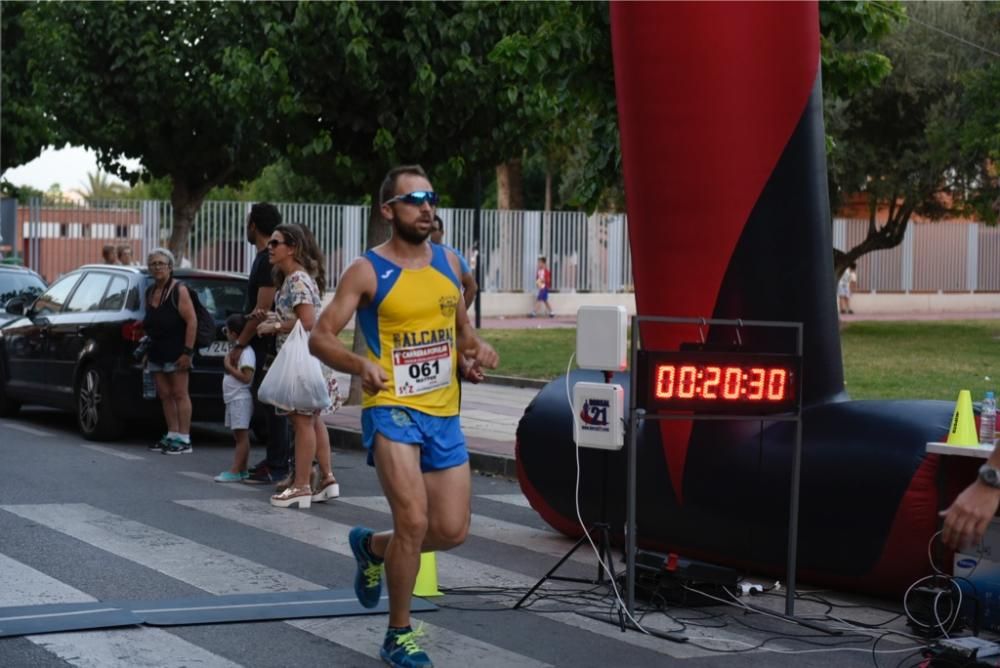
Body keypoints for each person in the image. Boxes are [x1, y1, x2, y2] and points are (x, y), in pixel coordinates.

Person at [309, 165, 499, 668]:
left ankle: (372, 547)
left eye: (431, 198)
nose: (426, 207)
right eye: (413, 199)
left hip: (443, 413)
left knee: (452, 530)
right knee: (413, 520)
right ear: (388, 211)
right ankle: (399, 634)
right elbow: (320, 335)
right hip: (391, 408)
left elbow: (457, 330)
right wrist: (358, 364)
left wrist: (469, 354)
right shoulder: (368, 270)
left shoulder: (453, 264)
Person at [255, 223, 340, 509]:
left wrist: (275, 325)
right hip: (309, 359)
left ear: (292, 248)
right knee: (313, 420)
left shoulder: (296, 280)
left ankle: (301, 485)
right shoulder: (294, 278)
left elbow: (307, 322)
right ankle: (327, 478)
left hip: (302, 362)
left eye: (275, 243)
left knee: (302, 421)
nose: (270, 248)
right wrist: (275, 317)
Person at [227, 203, 291, 485]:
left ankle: (279, 464)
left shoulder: (267, 260)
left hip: (267, 342)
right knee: (267, 405)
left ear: (253, 225)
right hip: (262, 340)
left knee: (273, 406)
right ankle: (275, 459)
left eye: (247, 222)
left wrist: (239, 344)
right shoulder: (262, 258)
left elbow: (262, 307)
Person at [143, 248, 197, 454]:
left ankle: (184, 439)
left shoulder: (178, 290)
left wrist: (187, 352)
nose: (157, 267)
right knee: (165, 394)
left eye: (161, 263)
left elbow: (192, 321)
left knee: (180, 393)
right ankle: (172, 434)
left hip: (177, 350)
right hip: (156, 349)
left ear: (170, 267)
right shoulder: (150, 291)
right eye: (153, 264)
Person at [430, 215, 483, 383]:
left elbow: (472, 286)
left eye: (433, 230)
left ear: (442, 233)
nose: (429, 234)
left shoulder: (451, 257)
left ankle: (462, 367)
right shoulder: (409, 259)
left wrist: (453, 316)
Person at [215, 313, 256, 482]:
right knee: (238, 435)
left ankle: (235, 469)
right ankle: (242, 469)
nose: (226, 335)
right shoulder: (239, 352)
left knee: (241, 436)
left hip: (240, 398)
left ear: (233, 334)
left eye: (226, 331)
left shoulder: (246, 353)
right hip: (233, 398)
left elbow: (246, 377)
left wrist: (228, 367)